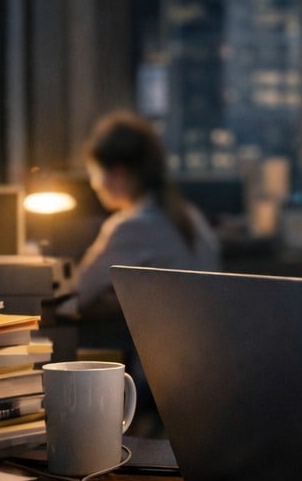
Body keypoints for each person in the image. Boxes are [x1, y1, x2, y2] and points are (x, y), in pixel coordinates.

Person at [58, 111, 221, 323]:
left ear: (119, 173)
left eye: (95, 173)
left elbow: (76, 298)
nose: (94, 184)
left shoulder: (131, 226)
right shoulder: (189, 214)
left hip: (163, 353)